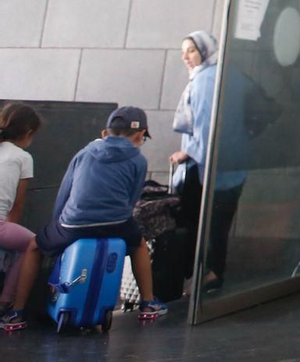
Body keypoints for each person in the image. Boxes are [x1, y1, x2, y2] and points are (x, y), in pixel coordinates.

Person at [35, 107, 166, 319]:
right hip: (116, 222)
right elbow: (132, 200)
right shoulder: (138, 160)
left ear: (105, 132)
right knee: (139, 245)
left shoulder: (84, 153)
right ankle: (148, 303)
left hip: (73, 224)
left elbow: (64, 193)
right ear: (141, 134)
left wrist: (57, 225)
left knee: (34, 246)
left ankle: (16, 311)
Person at [169, 30, 246, 294]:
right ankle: (213, 273)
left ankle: (203, 275)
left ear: (205, 49)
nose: (186, 58)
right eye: (183, 53)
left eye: (191, 50)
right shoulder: (230, 75)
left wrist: (187, 153)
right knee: (219, 224)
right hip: (235, 166)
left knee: (199, 223)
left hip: (210, 168)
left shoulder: (204, 80)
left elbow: (205, 128)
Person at [0, 104, 42, 331]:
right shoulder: (23, 157)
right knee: (32, 244)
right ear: (28, 134)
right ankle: (9, 306)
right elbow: (17, 205)